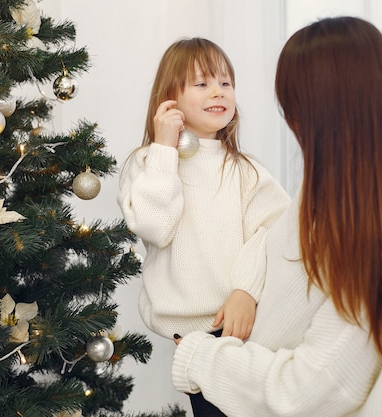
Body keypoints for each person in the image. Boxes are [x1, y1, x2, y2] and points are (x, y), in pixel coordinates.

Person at [171, 16, 382, 417]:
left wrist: (200, 355)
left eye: (292, 106)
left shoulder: (373, 234)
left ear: (323, 113)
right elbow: (276, 256)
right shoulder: (332, 188)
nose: (288, 120)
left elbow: (309, 392)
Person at [117, 37, 290, 416]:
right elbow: (156, 227)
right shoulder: (147, 163)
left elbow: (276, 236)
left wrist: (246, 290)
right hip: (194, 341)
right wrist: (164, 148)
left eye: (226, 83)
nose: (218, 91)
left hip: (251, 331)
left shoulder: (247, 170)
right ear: (170, 98)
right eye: (202, 83)